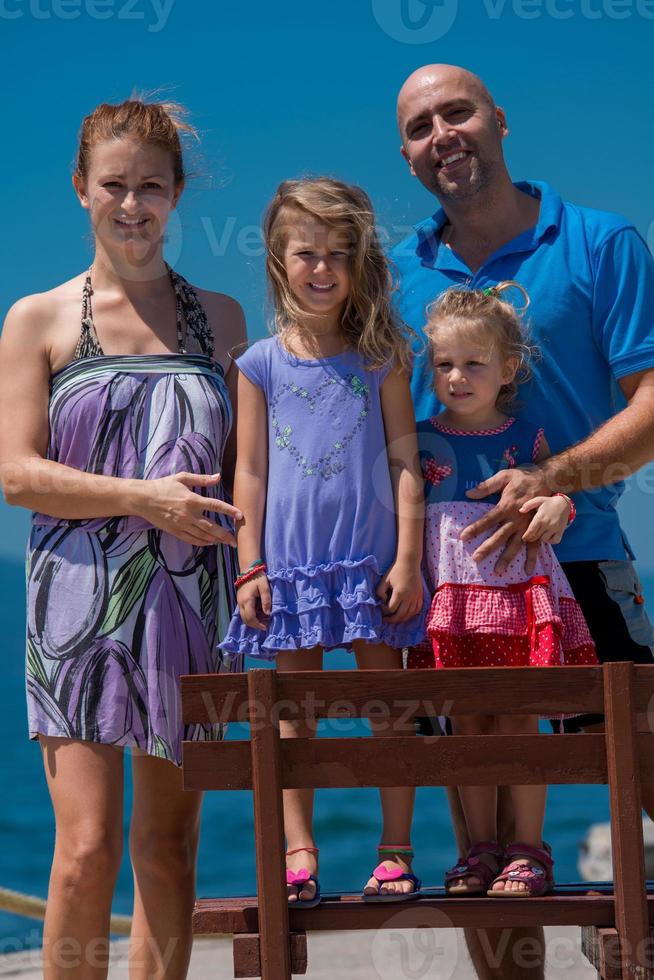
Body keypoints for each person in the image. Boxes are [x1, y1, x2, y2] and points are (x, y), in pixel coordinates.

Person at [392, 62, 654, 978]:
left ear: (499, 120)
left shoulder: (599, 243)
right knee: (490, 843)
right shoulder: (397, 275)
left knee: (645, 778)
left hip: (585, 565)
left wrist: (557, 477)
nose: (443, 135)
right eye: (421, 127)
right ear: (408, 155)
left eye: (456, 113)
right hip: (460, 597)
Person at [0, 99, 246, 979]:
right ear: (80, 190)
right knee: (86, 848)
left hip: (193, 607)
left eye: (151, 186)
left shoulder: (220, 319)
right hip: (72, 608)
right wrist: (140, 498)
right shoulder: (38, 318)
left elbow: (249, 472)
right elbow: (15, 473)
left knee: (169, 848)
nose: (132, 204)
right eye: (114, 185)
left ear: (178, 193)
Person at [219, 177, 428, 906]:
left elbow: (405, 459)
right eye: (306, 252)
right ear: (279, 260)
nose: (322, 267)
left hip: (372, 567)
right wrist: (250, 566)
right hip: (290, 571)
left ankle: (396, 850)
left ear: (360, 260)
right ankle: (297, 852)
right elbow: (246, 471)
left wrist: (408, 559)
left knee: (388, 705)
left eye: (340, 252)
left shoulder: (383, 356)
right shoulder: (258, 364)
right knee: (289, 714)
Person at [409, 282, 597, 897]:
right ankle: (481, 849)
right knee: (466, 721)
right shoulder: (418, 436)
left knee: (519, 717)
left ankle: (527, 850)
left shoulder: (526, 438)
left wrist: (559, 504)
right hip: (452, 604)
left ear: (508, 368)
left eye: (473, 363)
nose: (457, 377)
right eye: (443, 365)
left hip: (519, 599)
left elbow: (556, 501)